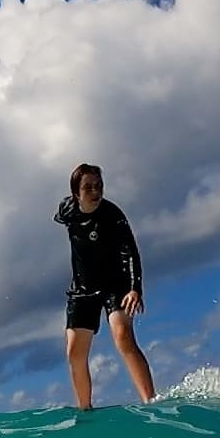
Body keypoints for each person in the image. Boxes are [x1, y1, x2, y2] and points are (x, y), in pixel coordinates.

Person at [55, 163, 157, 409]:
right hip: (82, 289)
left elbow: (131, 251)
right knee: (73, 352)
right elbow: (60, 217)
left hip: (115, 285)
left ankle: (151, 401)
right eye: (88, 187)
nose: (95, 192)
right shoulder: (68, 209)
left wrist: (135, 288)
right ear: (76, 192)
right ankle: (85, 408)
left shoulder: (113, 215)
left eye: (98, 186)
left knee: (122, 335)